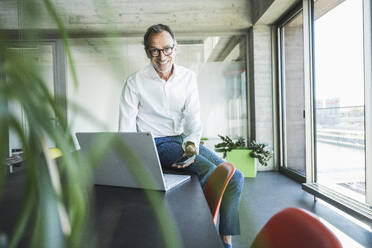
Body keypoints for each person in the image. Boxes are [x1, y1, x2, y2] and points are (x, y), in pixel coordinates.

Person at [119, 23, 244, 248]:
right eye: (155, 50)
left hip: (181, 138)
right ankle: (200, 235)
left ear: (175, 49)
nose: (161, 56)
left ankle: (226, 240)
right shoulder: (135, 82)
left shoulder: (188, 77)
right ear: (147, 52)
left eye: (167, 49)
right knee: (208, 171)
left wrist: (191, 146)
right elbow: (126, 130)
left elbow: (194, 120)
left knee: (236, 177)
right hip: (155, 143)